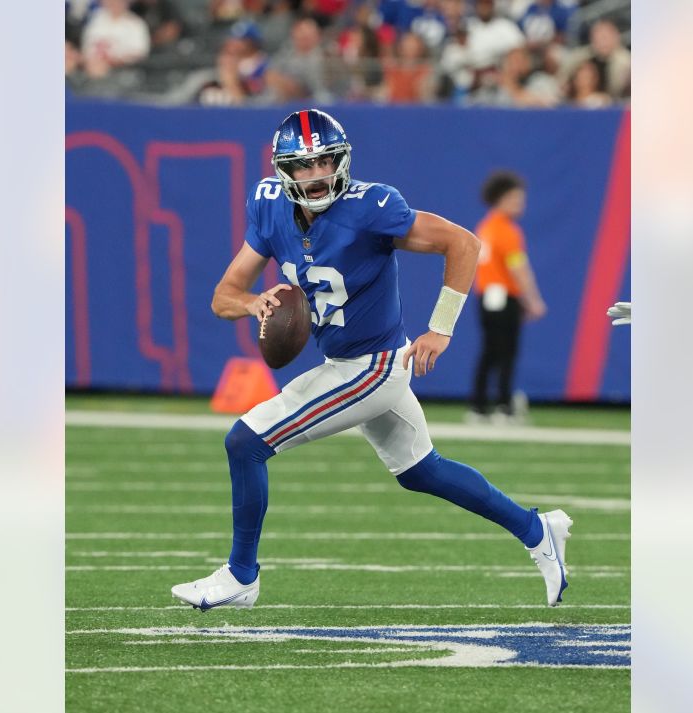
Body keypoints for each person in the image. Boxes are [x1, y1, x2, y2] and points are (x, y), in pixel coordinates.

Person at [171, 110, 572, 611]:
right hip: (347, 360)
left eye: (325, 162)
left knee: (246, 442)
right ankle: (538, 529)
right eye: (303, 165)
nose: (315, 175)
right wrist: (254, 304)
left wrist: (440, 328)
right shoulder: (269, 206)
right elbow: (223, 295)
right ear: (283, 170)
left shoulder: (371, 206)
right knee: (421, 471)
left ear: (342, 162)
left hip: (373, 366)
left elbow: (464, 244)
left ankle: (241, 576)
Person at [468, 171, 547, 423]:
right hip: (505, 299)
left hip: (485, 298)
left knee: (489, 353)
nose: (521, 204)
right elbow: (518, 269)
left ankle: (478, 408)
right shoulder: (508, 231)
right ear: (501, 199)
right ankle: (504, 407)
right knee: (507, 354)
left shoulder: (485, 227)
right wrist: (532, 300)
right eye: (516, 199)